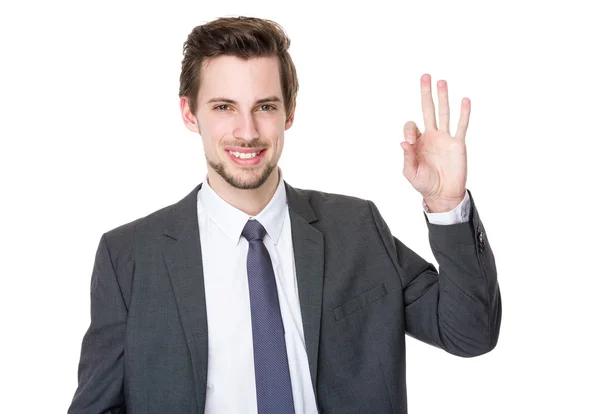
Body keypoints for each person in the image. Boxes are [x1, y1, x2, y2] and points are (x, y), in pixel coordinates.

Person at [68, 15, 501, 414]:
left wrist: (447, 204)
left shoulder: (356, 228)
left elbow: (470, 333)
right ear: (189, 113)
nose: (248, 131)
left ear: (289, 111)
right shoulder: (128, 257)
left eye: (265, 106)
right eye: (224, 107)